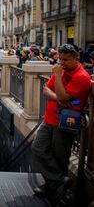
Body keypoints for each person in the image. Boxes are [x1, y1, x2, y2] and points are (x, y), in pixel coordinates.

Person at [31, 44, 92, 204]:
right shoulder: (62, 70)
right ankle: (58, 181)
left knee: (60, 157)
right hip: (50, 118)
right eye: (60, 58)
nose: (61, 63)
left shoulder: (82, 77)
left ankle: (55, 191)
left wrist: (58, 79)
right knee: (38, 148)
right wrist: (60, 98)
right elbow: (47, 89)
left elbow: (64, 96)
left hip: (66, 122)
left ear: (76, 59)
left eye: (65, 60)